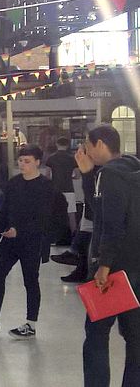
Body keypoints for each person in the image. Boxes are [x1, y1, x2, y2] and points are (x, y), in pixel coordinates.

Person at [0, 144, 56, 340]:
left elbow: (43, 218)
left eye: (27, 161)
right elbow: (5, 211)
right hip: (10, 240)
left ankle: (31, 324)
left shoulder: (45, 186)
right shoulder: (14, 183)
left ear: (37, 163)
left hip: (32, 241)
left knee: (30, 280)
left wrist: (21, 230)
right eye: (20, 161)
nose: (23, 165)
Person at [81, 124, 140, 387]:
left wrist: (103, 265)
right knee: (135, 338)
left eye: (88, 144)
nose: (85, 150)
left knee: (96, 334)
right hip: (136, 265)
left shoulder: (109, 175)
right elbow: (100, 211)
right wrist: (86, 176)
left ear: (101, 144)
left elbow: (111, 224)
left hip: (114, 272)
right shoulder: (134, 168)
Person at [45, 137, 79, 243]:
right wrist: (71, 177)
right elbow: (77, 175)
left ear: (57, 144)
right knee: (71, 214)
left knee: (53, 213)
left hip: (55, 189)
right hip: (69, 188)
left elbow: (47, 175)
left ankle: (52, 237)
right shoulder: (72, 158)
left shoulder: (51, 158)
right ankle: (74, 237)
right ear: (67, 145)